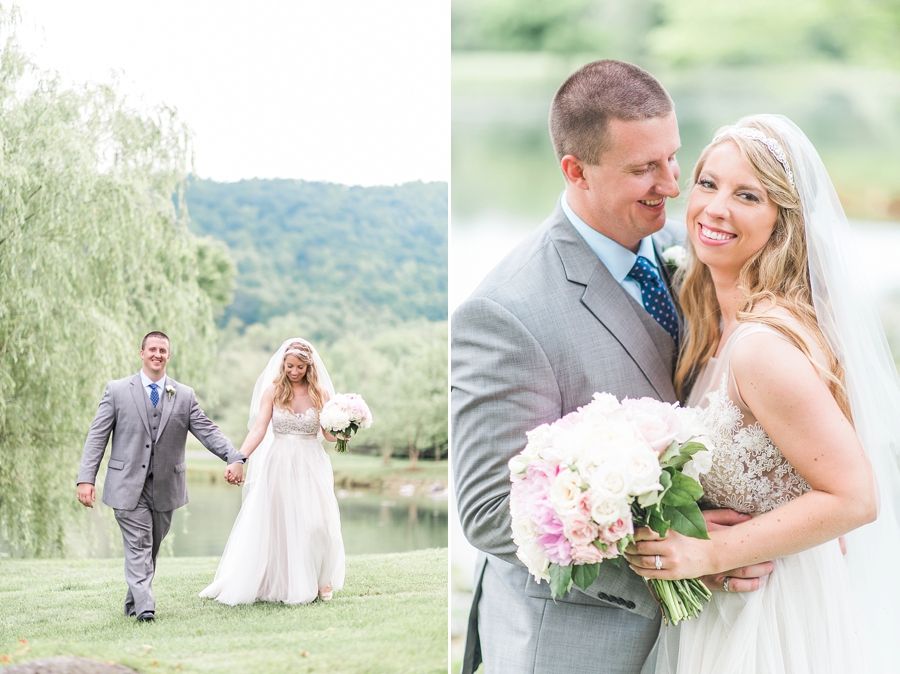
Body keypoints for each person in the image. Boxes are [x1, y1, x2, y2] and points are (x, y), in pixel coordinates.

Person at [451, 60, 771, 674]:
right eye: (644, 169)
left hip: (706, 641)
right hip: (576, 646)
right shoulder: (506, 312)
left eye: (673, 158)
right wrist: (690, 556)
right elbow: (491, 511)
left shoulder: (695, 249)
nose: (673, 185)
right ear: (576, 171)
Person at [624, 114, 900, 673]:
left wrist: (709, 553)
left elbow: (854, 497)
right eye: (708, 183)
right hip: (724, 612)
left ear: (783, 222)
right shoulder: (709, 321)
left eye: (747, 195)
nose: (716, 208)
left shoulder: (762, 347)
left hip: (770, 617)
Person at [77, 331, 246, 622]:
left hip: (166, 487)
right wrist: (86, 478)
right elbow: (97, 437)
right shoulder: (117, 390)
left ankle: (133, 603)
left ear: (168, 355)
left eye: (163, 350)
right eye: (152, 349)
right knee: (140, 544)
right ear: (141, 353)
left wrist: (234, 456)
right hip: (126, 485)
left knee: (149, 547)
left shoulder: (183, 394)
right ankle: (146, 609)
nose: (157, 354)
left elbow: (207, 431)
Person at [200, 338, 345, 605]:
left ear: (308, 367)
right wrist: (238, 459)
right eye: (289, 365)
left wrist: (343, 431)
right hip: (279, 462)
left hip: (311, 461)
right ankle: (283, 580)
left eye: (300, 367)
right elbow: (258, 429)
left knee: (317, 522)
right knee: (282, 521)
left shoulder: (321, 393)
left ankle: (321, 578)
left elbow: (328, 435)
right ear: (283, 364)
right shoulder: (273, 391)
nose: (294, 371)